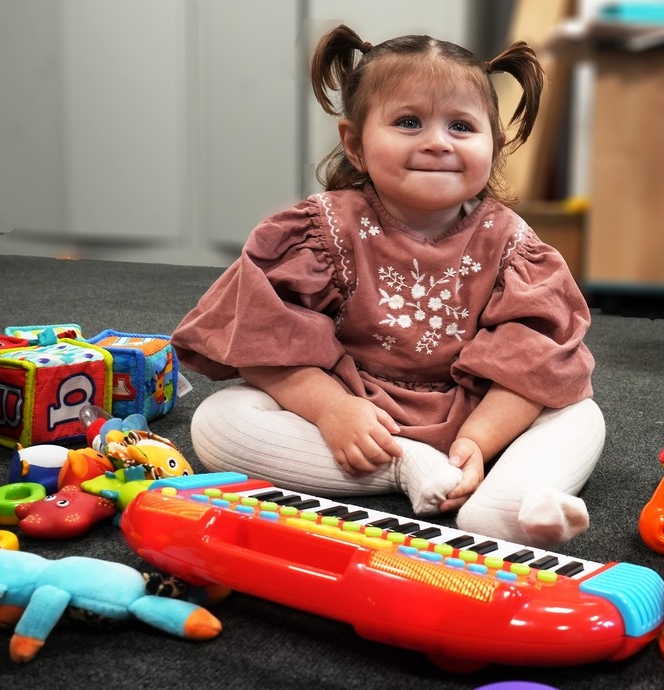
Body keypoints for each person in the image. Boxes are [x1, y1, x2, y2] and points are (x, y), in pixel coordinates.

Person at [171, 24, 605, 549]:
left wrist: (478, 439)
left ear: (496, 145)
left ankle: (501, 504)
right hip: (356, 407)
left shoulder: (512, 242)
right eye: (408, 122)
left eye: (462, 126)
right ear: (353, 143)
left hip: (477, 410)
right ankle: (407, 471)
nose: (438, 142)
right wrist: (333, 411)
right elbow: (265, 344)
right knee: (219, 420)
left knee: (578, 409)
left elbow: (534, 357)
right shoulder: (318, 229)